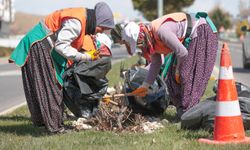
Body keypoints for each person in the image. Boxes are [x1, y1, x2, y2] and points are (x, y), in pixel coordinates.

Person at [9, 2, 114, 133]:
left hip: (43, 46)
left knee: (51, 85)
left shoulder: (83, 19)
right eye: (102, 28)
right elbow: (61, 46)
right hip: (39, 45)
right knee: (51, 86)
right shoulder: (77, 22)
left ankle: (50, 123)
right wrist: (85, 57)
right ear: (97, 21)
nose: (101, 32)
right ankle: (55, 128)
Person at [111, 12, 218, 119]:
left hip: (201, 31)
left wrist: (178, 70)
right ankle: (182, 112)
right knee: (171, 80)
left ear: (140, 36)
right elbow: (156, 63)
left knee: (186, 76)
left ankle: (189, 115)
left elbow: (182, 53)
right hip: (188, 40)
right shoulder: (149, 39)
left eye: (138, 43)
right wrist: (145, 86)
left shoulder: (161, 31)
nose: (140, 46)